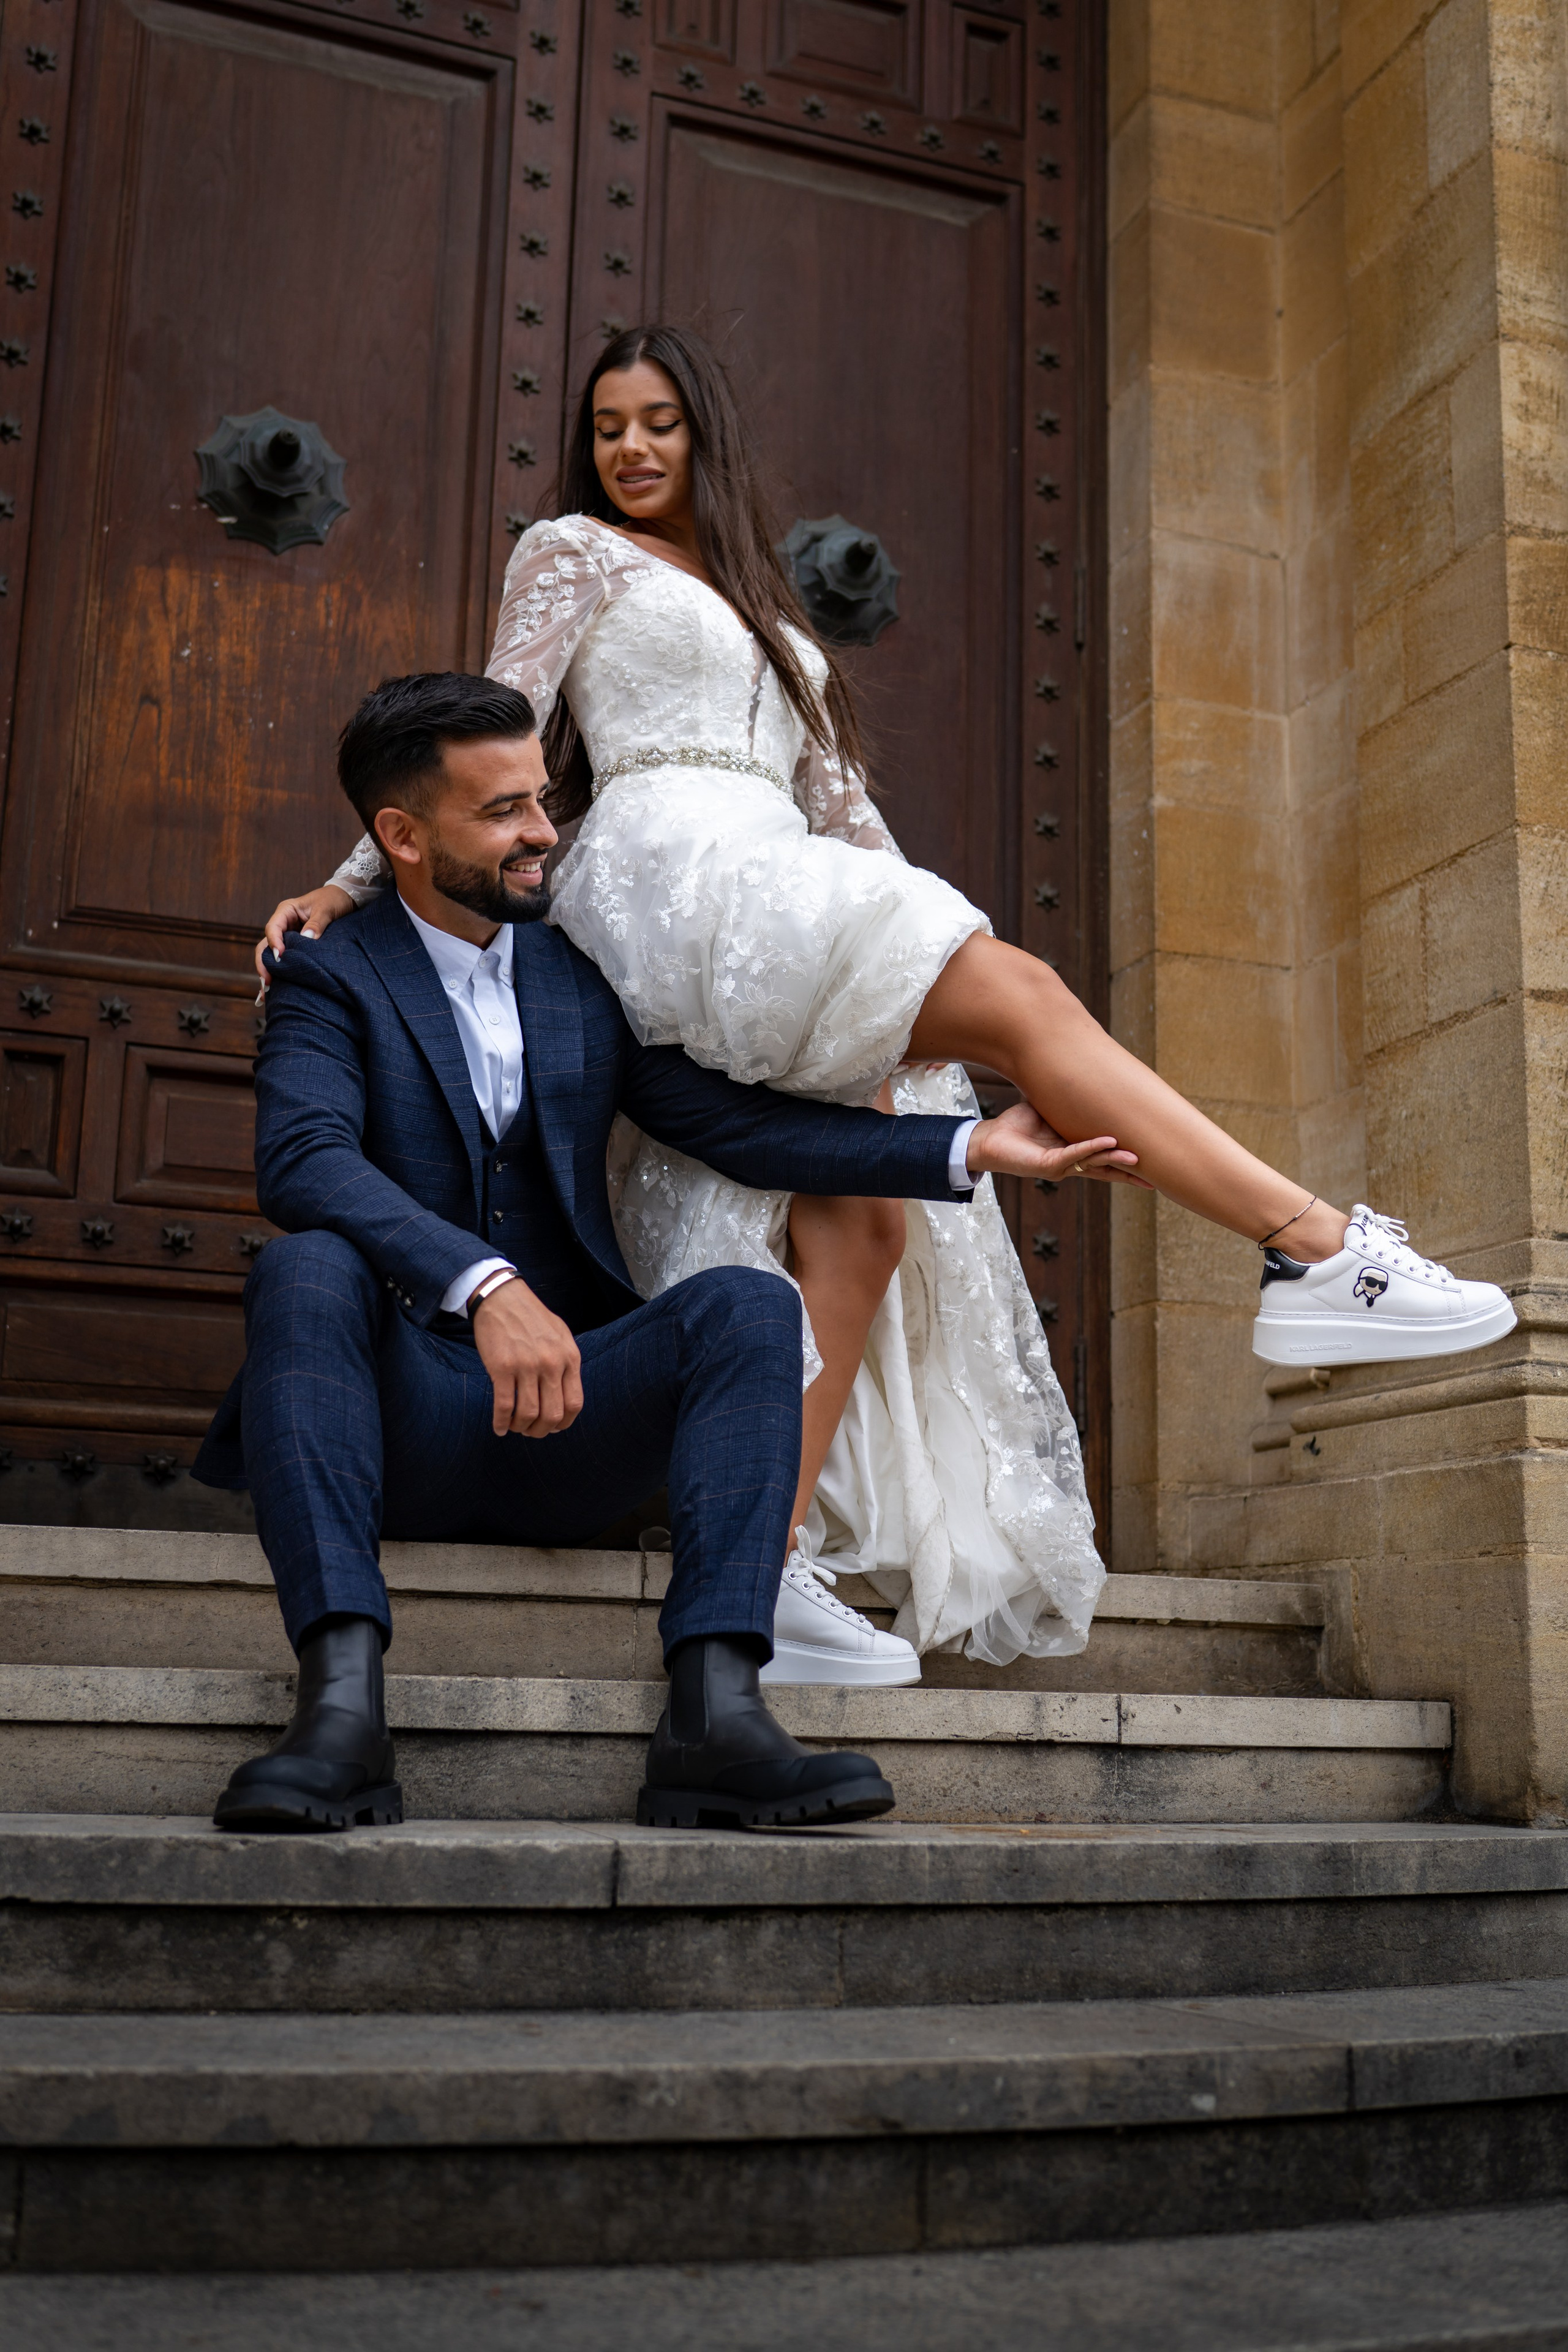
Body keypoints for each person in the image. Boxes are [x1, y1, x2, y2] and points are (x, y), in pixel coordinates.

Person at [260, 325, 1515, 1675]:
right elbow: (488, 724)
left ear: (707, 437)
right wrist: (356, 878)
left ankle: (768, 1561)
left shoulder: (766, 603)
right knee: (1021, 1002)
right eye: (610, 424)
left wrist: (922, 921)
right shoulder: (569, 548)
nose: (630, 447)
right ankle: (1307, 1248)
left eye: (660, 422)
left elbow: (841, 805)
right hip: (669, 871)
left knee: (859, 1229)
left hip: (786, 868)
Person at [198, 670, 1088, 1832]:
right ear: (401, 837)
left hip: (574, 1425)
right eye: (504, 811)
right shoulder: (330, 972)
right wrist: (485, 1284)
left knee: (747, 1307)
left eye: (539, 800)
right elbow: (303, 1161)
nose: (543, 834)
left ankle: (714, 1718)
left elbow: (723, 1120)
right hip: (402, 1416)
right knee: (304, 1266)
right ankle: (341, 1716)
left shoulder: (574, 978)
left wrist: (971, 1144)